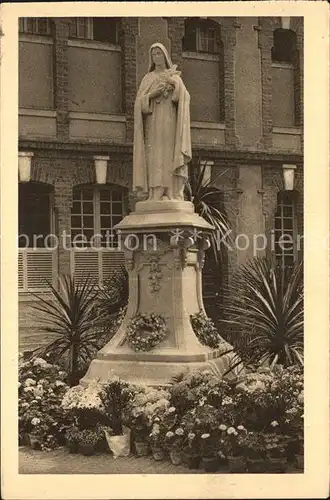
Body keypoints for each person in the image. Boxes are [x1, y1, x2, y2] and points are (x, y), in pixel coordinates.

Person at [133, 42, 192, 202]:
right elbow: (139, 104)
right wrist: (153, 94)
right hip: (153, 123)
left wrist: (173, 84)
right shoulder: (148, 78)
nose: (156, 57)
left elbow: (185, 98)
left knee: (169, 154)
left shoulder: (174, 76)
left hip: (170, 122)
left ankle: (171, 191)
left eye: (159, 53)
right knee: (155, 156)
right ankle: (156, 192)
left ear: (165, 56)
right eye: (154, 54)